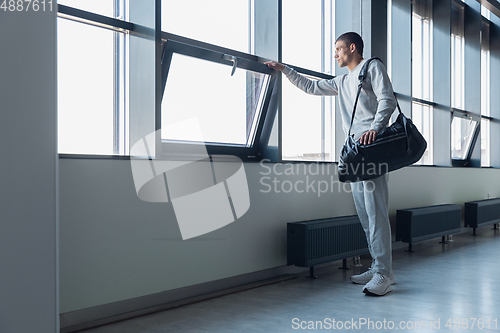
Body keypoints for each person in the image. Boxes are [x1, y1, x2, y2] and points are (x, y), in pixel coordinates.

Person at [265, 32, 396, 296]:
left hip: (372, 150)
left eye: (338, 49)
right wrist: (285, 70)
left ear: (352, 47)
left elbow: (388, 100)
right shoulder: (344, 80)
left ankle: (384, 273)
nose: (335, 54)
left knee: (376, 212)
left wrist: (375, 127)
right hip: (355, 153)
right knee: (364, 213)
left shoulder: (372, 67)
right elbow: (311, 87)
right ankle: (377, 266)